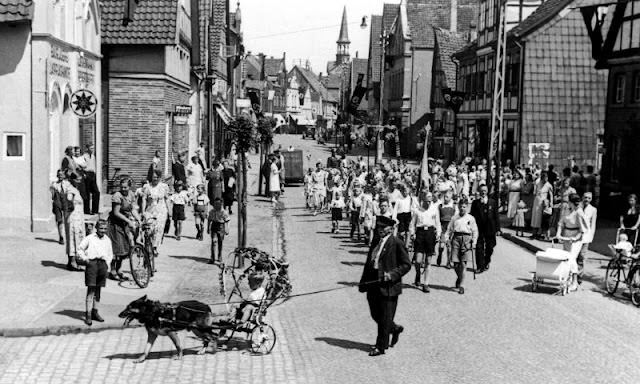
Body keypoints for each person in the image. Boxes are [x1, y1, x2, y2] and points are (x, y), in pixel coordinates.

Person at [358, 215, 411, 356]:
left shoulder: (397, 243)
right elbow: (368, 264)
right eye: (379, 227)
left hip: (389, 286)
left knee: (384, 317)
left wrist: (392, 274)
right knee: (375, 314)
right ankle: (394, 329)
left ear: (391, 228)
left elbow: (406, 264)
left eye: (383, 228)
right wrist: (363, 282)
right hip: (374, 283)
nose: (380, 230)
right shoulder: (376, 242)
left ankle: (380, 346)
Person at [77, 220, 113, 326]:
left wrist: (107, 264)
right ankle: (88, 313)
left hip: (102, 265)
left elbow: (110, 254)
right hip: (92, 264)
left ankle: (95, 311)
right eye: (101, 228)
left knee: (98, 290)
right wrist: (86, 259)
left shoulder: (107, 240)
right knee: (91, 290)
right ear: (96, 228)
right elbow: (80, 249)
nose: (103, 231)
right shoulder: (90, 238)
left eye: (105, 229)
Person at [108, 177, 139, 281]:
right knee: (116, 249)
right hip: (115, 224)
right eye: (121, 187)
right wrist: (129, 221)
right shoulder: (117, 196)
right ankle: (112, 271)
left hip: (124, 224)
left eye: (125, 187)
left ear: (129, 187)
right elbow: (116, 213)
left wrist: (138, 219)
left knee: (124, 249)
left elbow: (133, 209)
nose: (123, 189)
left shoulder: (131, 194)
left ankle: (119, 269)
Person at [409, 192, 441, 293]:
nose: (428, 201)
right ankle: (418, 275)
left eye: (430, 199)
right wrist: (412, 233)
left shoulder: (434, 209)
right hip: (420, 233)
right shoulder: (417, 210)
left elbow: (438, 223)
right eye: (427, 199)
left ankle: (426, 283)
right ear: (422, 199)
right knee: (418, 260)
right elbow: (412, 224)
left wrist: (438, 233)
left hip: (430, 233)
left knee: (428, 260)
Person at [445, 198, 479, 294]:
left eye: (464, 207)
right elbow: (449, 229)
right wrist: (447, 239)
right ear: (458, 207)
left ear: (467, 207)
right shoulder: (454, 218)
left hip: (467, 239)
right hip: (456, 238)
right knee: (455, 263)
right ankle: (459, 277)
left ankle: (462, 285)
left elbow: (475, 231)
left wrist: (474, 242)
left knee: (463, 263)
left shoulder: (471, 218)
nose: (462, 209)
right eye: (460, 207)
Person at [556, 194, 588, 292]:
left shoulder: (579, 212)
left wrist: (575, 238)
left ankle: (574, 281)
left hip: (575, 238)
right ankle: (567, 280)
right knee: (566, 258)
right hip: (566, 236)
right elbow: (561, 223)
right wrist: (558, 234)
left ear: (570, 201)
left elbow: (583, 229)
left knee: (572, 258)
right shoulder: (566, 210)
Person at [470, 184, 500, 272]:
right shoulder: (475, 203)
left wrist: (498, 229)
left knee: (490, 247)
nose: (483, 192)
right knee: (479, 247)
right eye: (482, 190)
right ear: (479, 191)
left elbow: (496, 216)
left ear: (487, 192)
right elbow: (472, 215)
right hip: (479, 228)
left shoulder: (492, 202)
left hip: (490, 228)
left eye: (485, 191)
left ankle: (487, 261)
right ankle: (480, 266)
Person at [141, 170, 170, 257]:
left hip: (161, 211)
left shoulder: (164, 186)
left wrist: (169, 211)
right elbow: (144, 199)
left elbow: (167, 199)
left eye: (157, 177)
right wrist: (143, 211)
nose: (155, 179)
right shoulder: (147, 187)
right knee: (150, 229)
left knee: (159, 230)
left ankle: (154, 247)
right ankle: (148, 247)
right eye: (154, 177)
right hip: (150, 210)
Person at [577, 192, 597, 286]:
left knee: (581, 256)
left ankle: (579, 276)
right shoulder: (578, 207)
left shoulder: (593, 210)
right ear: (582, 197)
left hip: (586, 236)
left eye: (589, 198)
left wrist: (590, 236)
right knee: (573, 255)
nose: (587, 200)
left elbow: (593, 224)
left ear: (591, 199)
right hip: (576, 234)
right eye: (585, 197)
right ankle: (571, 274)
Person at [531, 171, 553, 240]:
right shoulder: (538, 183)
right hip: (537, 200)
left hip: (543, 201)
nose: (545, 180)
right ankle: (534, 232)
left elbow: (551, 194)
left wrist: (551, 202)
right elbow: (534, 191)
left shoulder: (548, 185)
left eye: (546, 178)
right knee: (535, 217)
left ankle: (540, 233)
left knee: (541, 218)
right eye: (544, 178)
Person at [50, 169, 71, 244]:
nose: (60, 176)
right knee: (59, 220)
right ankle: (61, 236)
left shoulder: (67, 184)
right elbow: (52, 196)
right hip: (57, 202)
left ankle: (68, 237)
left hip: (65, 201)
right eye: (59, 175)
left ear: (64, 176)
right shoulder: (54, 184)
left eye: (62, 175)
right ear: (57, 175)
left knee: (67, 220)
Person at [437, 192, 456, 268]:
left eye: (447, 197)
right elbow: (438, 218)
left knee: (449, 246)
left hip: (449, 228)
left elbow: (455, 217)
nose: (445, 198)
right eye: (444, 197)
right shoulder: (440, 206)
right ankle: (440, 255)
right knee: (441, 246)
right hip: (443, 227)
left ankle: (448, 262)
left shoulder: (453, 207)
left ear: (450, 197)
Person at [207, 197, 230, 264]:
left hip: (221, 227)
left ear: (221, 204)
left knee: (220, 242)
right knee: (214, 242)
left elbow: (227, 221)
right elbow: (209, 220)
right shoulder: (211, 211)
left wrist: (227, 228)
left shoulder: (224, 212)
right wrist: (208, 228)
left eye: (218, 204)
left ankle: (220, 256)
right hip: (214, 226)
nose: (217, 205)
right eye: (215, 204)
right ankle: (212, 257)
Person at [82, 144, 100, 215]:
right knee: (87, 193)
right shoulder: (84, 156)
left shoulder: (93, 156)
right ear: (87, 148)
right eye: (91, 148)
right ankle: (87, 210)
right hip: (87, 174)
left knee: (96, 192)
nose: (92, 149)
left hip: (92, 174)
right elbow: (81, 166)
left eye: (93, 148)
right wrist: (84, 174)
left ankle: (95, 210)